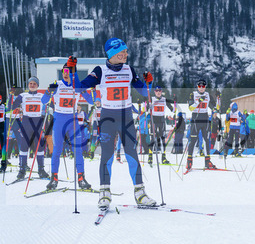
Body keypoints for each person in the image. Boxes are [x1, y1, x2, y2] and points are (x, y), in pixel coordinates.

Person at [79, 37, 156, 209]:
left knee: (132, 153)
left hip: (126, 117)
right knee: (107, 155)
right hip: (108, 117)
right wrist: (71, 72)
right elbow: (80, 87)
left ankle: (140, 193)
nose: (126, 54)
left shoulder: (129, 70)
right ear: (113, 53)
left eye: (126, 51)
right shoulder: (100, 71)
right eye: (123, 52)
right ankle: (104, 193)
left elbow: (144, 92)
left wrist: (149, 82)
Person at [44, 57, 94, 190]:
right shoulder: (57, 84)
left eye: (69, 71)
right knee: (57, 150)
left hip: (73, 121)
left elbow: (91, 101)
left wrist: (87, 91)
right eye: (64, 71)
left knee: (78, 150)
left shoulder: (77, 86)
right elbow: (43, 101)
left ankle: (81, 178)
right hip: (59, 120)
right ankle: (54, 179)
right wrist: (49, 91)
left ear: (73, 73)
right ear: (62, 72)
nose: (66, 73)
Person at [9, 76, 50, 181]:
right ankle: (22, 170)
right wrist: (11, 95)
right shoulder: (23, 95)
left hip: (37, 123)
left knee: (39, 148)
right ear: (28, 85)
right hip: (26, 122)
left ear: (37, 85)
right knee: (24, 147)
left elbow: (53, 105)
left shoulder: (41, 96)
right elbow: (11, 107)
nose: (32, 85)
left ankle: (41, 170)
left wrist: (51, 95)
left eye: (34, 84)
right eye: (30, 83)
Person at [185, 79, 217, 171]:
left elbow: (214, 107)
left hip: (205, 118)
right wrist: (198, 101)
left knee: (206, 140)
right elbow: (190, 108)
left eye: (203, 86)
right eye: (200, 86)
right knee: (193, 140)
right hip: (196, 119)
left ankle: (207, 161)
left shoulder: (208, 95)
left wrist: (217, 101)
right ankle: (189, 161)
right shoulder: (193, 94)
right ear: (197, 87)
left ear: (205, 87)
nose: (202, 88)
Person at [149, 85, 173, 164]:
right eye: (157, 91)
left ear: (161, 92)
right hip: (154, 120)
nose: (158, 92)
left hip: (162, 120)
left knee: (162, 139)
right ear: (154, 92)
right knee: (153, 138)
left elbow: (172, 109)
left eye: (159, 91)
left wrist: (175, 103)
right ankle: (150, 157)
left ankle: (163, 158)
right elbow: (145, 109)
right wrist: (146, 104)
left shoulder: (164, 99)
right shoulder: (151, 99)